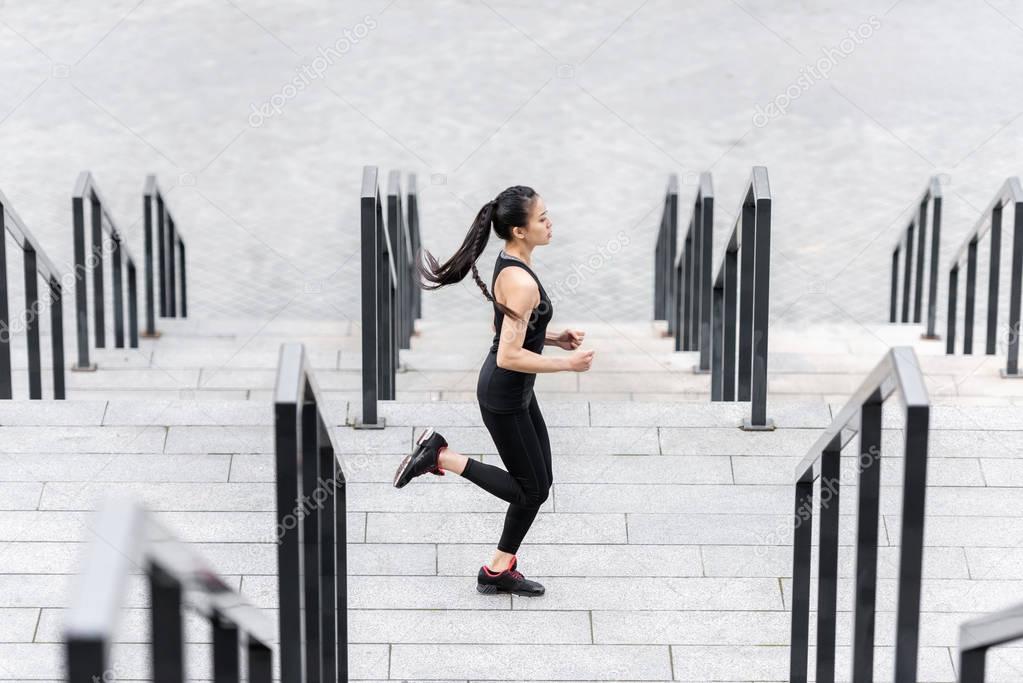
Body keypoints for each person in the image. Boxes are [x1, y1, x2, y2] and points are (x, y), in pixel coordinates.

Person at [392, 185, 595, 596]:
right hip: (504, 396)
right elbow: (508, 356)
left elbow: (502, 329)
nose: (549, 222)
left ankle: (497, 570)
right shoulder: (521, 282)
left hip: (514, 393)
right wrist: (566, 364)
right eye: (541, 218)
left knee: (540, 483)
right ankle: (441, 456)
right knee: (532, 489)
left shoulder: (510, 263)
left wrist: (554, 338)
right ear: (519, 230)